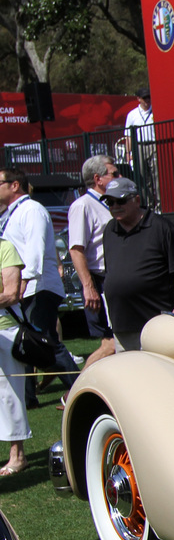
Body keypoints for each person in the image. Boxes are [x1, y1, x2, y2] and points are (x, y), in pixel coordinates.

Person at [0, 168, 76, 406]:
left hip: (36, 287)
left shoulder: (31, 210)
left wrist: (21, 286)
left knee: (44, 344)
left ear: (15, 185)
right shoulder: (11, 213)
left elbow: (34, 252)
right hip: (26, 288)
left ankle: (81, 386)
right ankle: (28, 397)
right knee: (26, 342)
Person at [99, 177, 174, 351]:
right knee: (129, 376)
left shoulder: (160, 227)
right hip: (122, 325)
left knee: (162, 374)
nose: (114, 206)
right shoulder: (110, 230)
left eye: (120, 201)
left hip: (156, 324)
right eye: (110, 202)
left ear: (136, 200)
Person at [68, 155, 120, 369]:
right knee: (111, 344)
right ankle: (75, 393)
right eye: (114, 174)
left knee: (119, 343)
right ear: (98, 178)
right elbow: (76, 249)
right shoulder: (83, 206)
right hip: (100, 281)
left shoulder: (112, 204)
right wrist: (89, 288)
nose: (119, 177)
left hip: (116, 279)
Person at [0, 235, 28, 474]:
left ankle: (17, 455)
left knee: (10, 395)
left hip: (5, 330)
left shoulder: (5, 247)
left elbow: (11, 294)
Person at [123, 87, 157, 207]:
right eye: (144, 98)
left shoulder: (156, 111)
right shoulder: (132, 114)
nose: (147, 100)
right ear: (138, 99)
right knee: (142, 177)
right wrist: (128, 153)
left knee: (156, 175)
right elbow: (128, 136)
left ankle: (159, 205)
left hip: (154, 145)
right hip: (139, 146)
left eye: (149, 97)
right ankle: (147, 204)